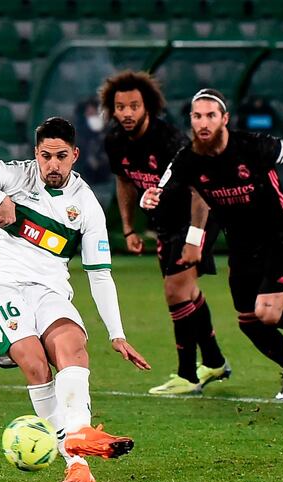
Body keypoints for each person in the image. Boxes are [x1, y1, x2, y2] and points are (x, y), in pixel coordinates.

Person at [0, 117, 151, 482]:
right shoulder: (16, 176)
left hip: (50, 290)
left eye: (61, 156)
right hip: (1, 287)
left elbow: (99, 273)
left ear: (75, 156)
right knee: (36, 365)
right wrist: (0, 198)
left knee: (73, 346)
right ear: (36, 154)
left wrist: (117, 334)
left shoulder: (87, 205)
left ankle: (77, 449)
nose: (52, 165)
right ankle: (76, 451)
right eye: (45, 156)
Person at [142, 88, 283, 400]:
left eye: (210, 115)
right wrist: (151, 198)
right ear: (190, 120)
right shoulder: (188, 159)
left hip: (281, 237)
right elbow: (167, 190)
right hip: (242, 246)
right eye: (197, 116)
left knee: (268, 313)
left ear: (225, 119)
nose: (203, 122)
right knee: (249, 323)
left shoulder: (254, 146)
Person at [99, 70, 230, 396]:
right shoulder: (115, 141)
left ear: (148, 107)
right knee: (186, 292)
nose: (126, 113)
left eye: (133, 106)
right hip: (165, 223)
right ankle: (214, 361)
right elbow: (125, 181)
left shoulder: (170, 141)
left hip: (197, 217)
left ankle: (188, 375)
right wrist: (130, 228)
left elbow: (200, 188)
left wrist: (194, 238)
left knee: (175, 291)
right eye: (120, 107)